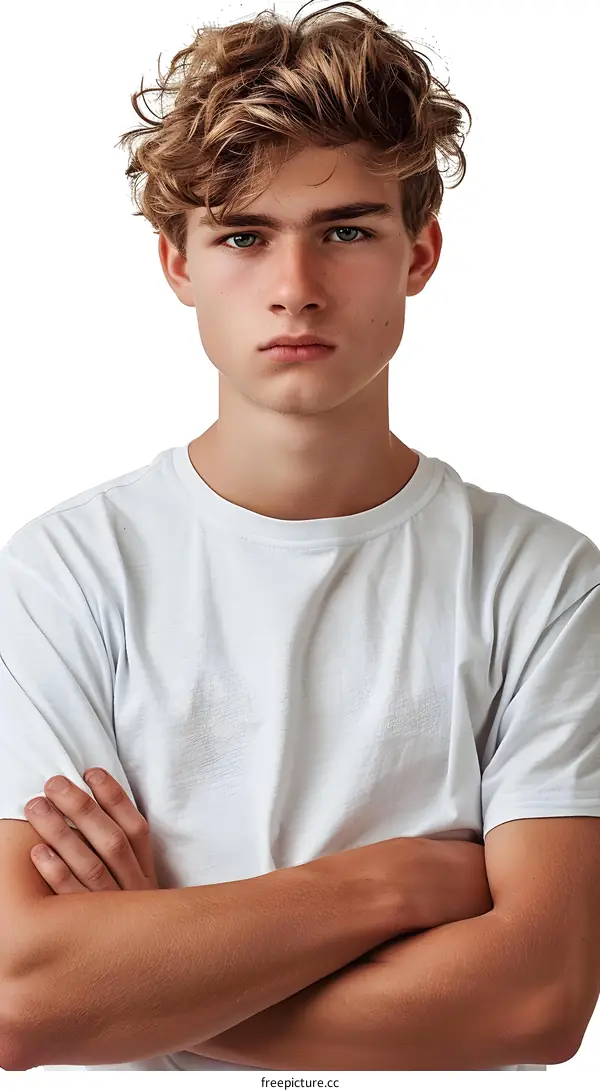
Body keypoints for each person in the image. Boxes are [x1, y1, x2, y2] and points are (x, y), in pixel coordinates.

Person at [1, 0, 600, 1075]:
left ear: (419, 253)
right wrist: (394, 885)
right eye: (242, 234)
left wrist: (143, 975)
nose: (295, 288)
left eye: (347, 231)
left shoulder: (544, 582)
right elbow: (19, 988)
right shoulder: (62, 575)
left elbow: (538, 1002)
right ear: (176, 266)